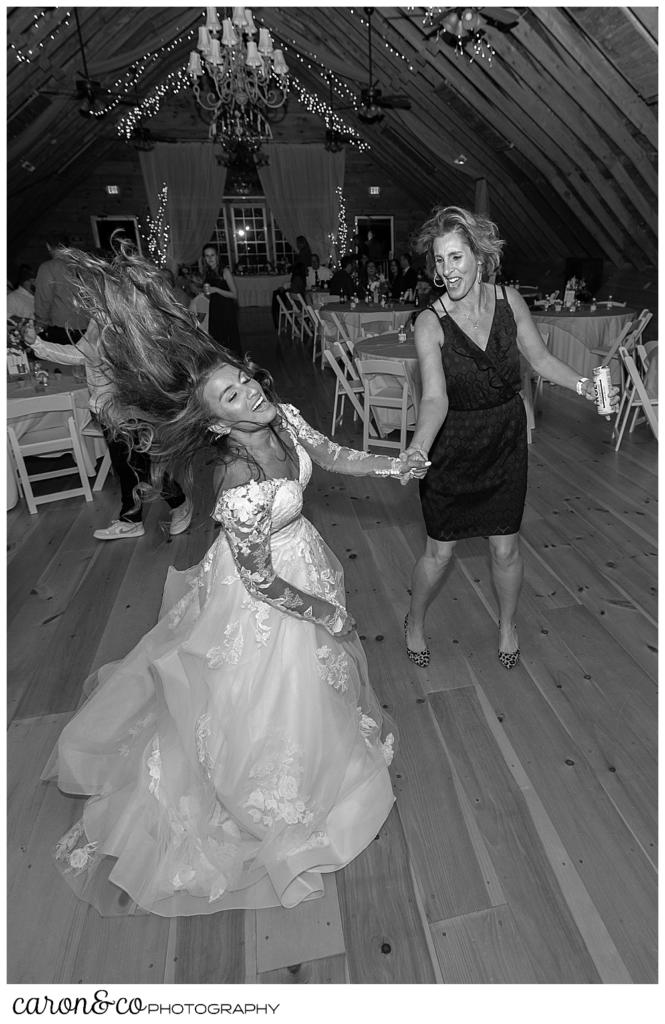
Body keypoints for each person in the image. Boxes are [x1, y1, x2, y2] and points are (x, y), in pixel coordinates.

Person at [41, 244, 427, 916]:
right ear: (216, 418)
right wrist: (324, 613)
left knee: (318, 684)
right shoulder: (236, 477)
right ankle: (266, 800)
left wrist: (397, 466)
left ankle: (321, 764)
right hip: (264, 588)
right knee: (257, 695)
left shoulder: (282, 418)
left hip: (300, 555)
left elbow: (333, 454)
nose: (250, 390)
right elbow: (258, 582)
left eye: (245, 380)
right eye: (232, 393)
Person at [401, 206, 619, 671]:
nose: (447, 271)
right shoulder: (429, 322)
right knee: (439, 554)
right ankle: (414, 619)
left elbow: (539, 360)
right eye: (439, 261)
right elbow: (435, 397)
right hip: (452, 444)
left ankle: (507, 624)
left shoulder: (509, 302)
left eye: (456, 258)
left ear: (479, 257)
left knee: (506, 547)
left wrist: (584, 386)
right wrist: (419, 446)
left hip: (504, 438)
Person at [29, 320, 193, 541]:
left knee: (137, 466)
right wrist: (36, 343)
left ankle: (174, 504)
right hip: (107, 411)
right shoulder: (97, 322)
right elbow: (79, 353)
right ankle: (138, 518)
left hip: (128, 409)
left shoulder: (125, 320)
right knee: (129, 466)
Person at [34, 234, 89, 343]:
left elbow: (43, 299)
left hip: (62, 328)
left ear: (48, 246)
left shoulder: (48, 267)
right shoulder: (84, 266)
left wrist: (40, 324)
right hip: (88, 329)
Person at [201, 244, 241, 359]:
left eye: (212, 255)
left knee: (229, 341)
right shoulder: (208, 272)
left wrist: (216, 290)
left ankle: (235, 366)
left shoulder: (225, 271)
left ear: (217, 256)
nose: (210, 258)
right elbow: (210, 296)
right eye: (207, 256)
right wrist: (206, 292)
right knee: (217, 340)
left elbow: (234, 294)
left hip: (227, 310)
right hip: (215, 309)